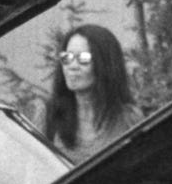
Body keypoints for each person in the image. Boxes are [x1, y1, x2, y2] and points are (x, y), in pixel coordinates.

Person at [38, 23, 137, 162]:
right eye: (67, 58)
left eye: (83, 58)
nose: (72, 66)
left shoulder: (129, 119)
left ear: (105, 64)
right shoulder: (49, 116)